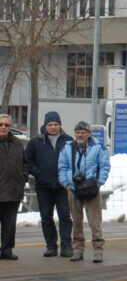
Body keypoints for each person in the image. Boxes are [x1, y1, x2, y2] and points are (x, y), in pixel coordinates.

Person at [58, 121, 110, 263]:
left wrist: (98, 183)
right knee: (76, 221)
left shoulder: (98, 148)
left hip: (91, 189)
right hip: (74, 189)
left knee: (95, 222)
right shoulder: (68, 148)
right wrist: (66, 184)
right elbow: (62, 166)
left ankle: (98, 249)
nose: (80, 135)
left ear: (89, 134)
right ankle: (78, 249)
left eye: (83, 132)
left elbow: (104, 166)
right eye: (78, 132)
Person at [24, 111, 72, 257]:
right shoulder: (35, 142)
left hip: (63, 186)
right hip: (43, 186)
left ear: (60, 125)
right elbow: (28, 161)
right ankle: (51, 246)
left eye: (56, 124)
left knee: (65, 216)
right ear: (45, 126)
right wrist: (39, 173)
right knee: (46, 217)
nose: (53, 127)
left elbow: (73, 161)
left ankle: (66, 246)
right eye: (50, 124)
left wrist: (67, 177)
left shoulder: (68, 141)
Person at [0, 114, 28, 260]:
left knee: (9, 225)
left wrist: (22, 178)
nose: (3, 127)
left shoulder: (17, 143)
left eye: (6, 125)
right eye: (1, 125)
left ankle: (7, 250)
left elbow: (25, 163)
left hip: (13, 191)